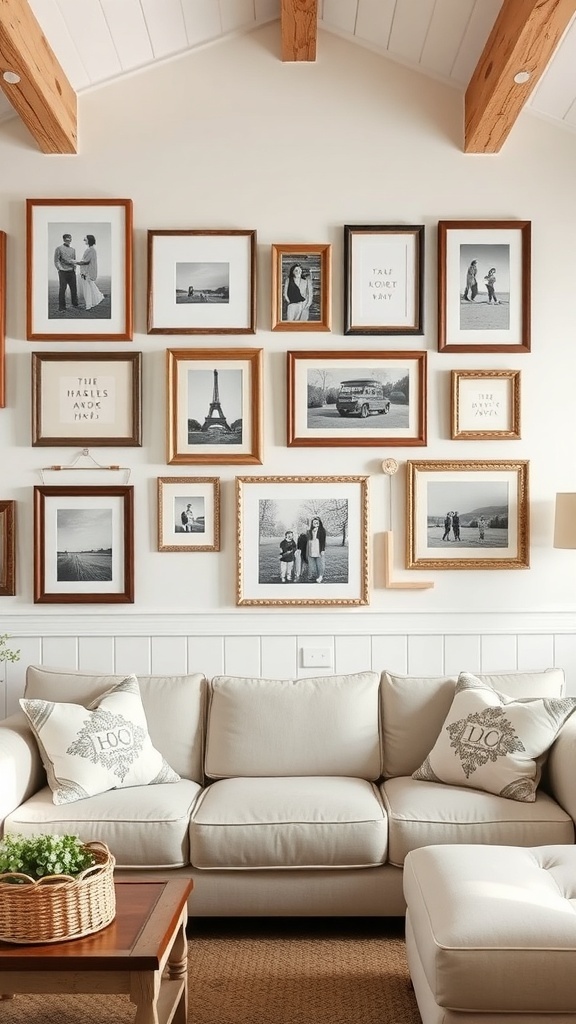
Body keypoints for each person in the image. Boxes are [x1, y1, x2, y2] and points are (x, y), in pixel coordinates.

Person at [75, 234, 105, 310]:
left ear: (89, 240)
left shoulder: (91, 250)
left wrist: (74, 262)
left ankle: (89, 305)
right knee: (91, 286)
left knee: (87, 288)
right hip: (87, 272)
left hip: (87, 272)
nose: (84, 240)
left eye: (86, 239)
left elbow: (86, 262)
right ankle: (95, 300)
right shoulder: (91, 249)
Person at [54, 232, 79, 312]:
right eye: (67, 239)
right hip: (63, 272)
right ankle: (62, 307)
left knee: (74, 289)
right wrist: (60, 269)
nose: (68, 240)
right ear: (64, 239)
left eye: (70, 238)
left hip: (71, 272)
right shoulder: (59, 248)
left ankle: (75, 304)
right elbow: (56, 260)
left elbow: (74, 260)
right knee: (62, 289)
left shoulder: (73, 250)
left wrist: (74, 268)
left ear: (71, 239)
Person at [307, 516, 326, 583]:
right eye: (314, 522)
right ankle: (314, 575)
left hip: (318, 548)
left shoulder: (322, 530)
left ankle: (320, 576)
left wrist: (322, 550)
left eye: (317, 522)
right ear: (312, 523)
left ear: (319, 522)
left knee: (320, 563)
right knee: (312, 564)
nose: (315, 523)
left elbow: (323, 541)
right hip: (312, 548)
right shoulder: (310, 531)